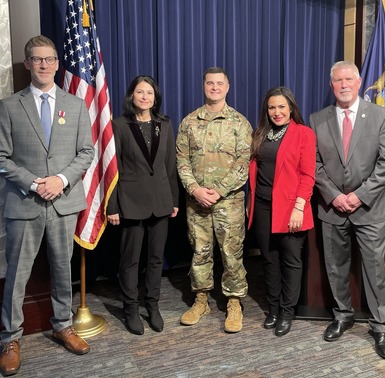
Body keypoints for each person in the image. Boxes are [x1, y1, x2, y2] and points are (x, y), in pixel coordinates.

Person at [0, 35, 94, 376]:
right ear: (27, 64)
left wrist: (61, 180)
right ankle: (10, 338)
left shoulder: (77, 104)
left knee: (61, 268)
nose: (44, 64)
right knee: (17, 275)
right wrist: (35, 182)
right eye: (37, 59)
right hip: (24, 203)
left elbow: (86, 152)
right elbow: (1, 157)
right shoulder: (9, 106)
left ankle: (62, 324)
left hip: (63, 202)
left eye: (49, 59)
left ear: (57, 63)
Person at [309, 60, 385, 359]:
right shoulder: (317, 119)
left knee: (374, 269)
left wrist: (358, 196)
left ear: (359, 83)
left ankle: (381, 326)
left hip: (370, 208)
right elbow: (315, 164)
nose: (344, 84)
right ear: (331, 84)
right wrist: (334, 196)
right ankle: (343, 315)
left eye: (349, 79)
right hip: (332, 209)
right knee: (335, 267)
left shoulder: (381, 116)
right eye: (338, 80)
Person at [176, 67, 252, 333]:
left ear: (228, 87)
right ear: (203, 86)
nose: (215, 88)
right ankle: (201, 299)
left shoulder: (240, 123)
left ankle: (234, 302)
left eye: (220, 84)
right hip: (197, 202)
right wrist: (195, 189)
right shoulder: (189, 122)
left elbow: (244, 164)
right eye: (210, 83)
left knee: (232, 253)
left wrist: (219, 190)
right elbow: (181, 160)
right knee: (199, 252)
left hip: (228, 202)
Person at [107, 76, 179, 335]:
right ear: (132, 96)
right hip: (130, 203)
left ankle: (153, 305)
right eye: (140, 92)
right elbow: (112, 169)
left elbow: (170, 165)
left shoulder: (165, 124)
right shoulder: (119, 125)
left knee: (156, 258)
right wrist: (112, 206)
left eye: (149, 92)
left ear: (155, 97)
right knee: (130, 260)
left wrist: (173, 199)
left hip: (161, 201)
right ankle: (130, 308)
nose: (145, 96)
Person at [246, 87, 315, 336]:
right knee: (269, 259)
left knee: (291, 261)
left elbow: (308, 175)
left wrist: (299, 207)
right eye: (272, 107)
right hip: (263, 206)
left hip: (290, 208)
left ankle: (287, 312)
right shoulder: (261, 134)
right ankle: (273, 309)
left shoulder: (303, 134)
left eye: (281, 107)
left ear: (291, 108)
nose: (276, 112)